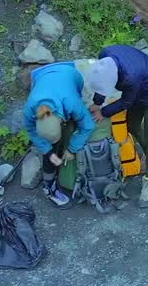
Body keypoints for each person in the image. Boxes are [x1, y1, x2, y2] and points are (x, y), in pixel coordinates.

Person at [86, 44, 148, 208]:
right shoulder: (105, 56)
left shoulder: (130, 77)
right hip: (138, 89)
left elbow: (126, 101)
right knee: (132, 125)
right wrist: (97, 103)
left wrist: (103, 112)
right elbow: (103, 81)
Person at [22, 60, 107, 207]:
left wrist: (72, 149)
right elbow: (31, 131)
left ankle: (58, 157)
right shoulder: (30, 110)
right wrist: (48, 151)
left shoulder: (71, 102)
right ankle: (49, 187)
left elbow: (87, 126)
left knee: (75, 124)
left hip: (70, 73)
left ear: (61, 119)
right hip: (41, 75)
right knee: (50, 150)